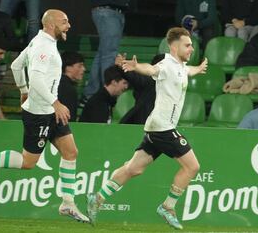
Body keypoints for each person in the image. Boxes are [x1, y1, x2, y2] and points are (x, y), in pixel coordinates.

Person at [0, 9, 89, 223]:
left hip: (49, 111)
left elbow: (17, 65)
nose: (69, 25)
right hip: (40, 114)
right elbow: (36, 79)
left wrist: (23, 90)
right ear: (51, 24)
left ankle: (68, 203)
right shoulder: (43, 47)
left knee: (70, 152)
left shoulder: (41, 41)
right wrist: (55, 103)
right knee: (28, 162)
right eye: (65, 21)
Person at [86, 27, 208, 229]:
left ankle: (97, 198)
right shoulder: (166, 65)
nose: (191, 49)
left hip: (155, 127)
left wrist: (199, 68)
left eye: (192, 45)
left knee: (134, 169)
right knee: (193, 166)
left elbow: (188, 70)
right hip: (163, 127)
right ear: (174, 46)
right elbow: (151, 70)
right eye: (187, 45)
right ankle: (168, 206)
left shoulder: (180, 67)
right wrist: (135, 67)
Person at [81, 0, 129, 102]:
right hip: (107, 11)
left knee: (104, 53)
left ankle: (90, 93)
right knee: (109, 54)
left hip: (114, 11)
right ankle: (107, 91)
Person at [115, 53, 165, 124]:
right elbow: (135, 78)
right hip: (142, 124)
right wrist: (122, 67)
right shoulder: (149, 81)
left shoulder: (172, 84)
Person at [58, 51, 85, 122]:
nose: (83, 69)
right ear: (68, 68)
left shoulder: (58, 83)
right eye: (80, 66)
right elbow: (69, 119)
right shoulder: (69, 89)